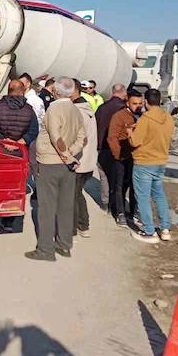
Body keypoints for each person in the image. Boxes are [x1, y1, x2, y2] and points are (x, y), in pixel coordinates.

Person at [25, 76, 86, 261]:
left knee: (46, 208)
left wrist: (66, 156)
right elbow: (83, 139)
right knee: (65, 206)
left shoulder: (54, 109)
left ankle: (45, 249)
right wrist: (72, 155)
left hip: (50, 163)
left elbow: (55, 137)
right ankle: (64, 245)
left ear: (55, 91)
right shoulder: (75, 111)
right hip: (67, 166)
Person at [0, 79, 39, 231]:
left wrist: (4, 140)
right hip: (19, 154)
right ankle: (9, 220)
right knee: (15, 186)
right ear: (22, 92)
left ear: (8, 90)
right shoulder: (29, 110)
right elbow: (34, 130)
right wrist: (20, 142)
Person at [127, 89, 175, 243]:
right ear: (160, 101)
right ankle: (165, 229)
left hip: (144, 162)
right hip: (160, 161)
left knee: (143, 197)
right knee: (159, 196)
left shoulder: (145, 119)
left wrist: (130, 132)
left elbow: (135, 142)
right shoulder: (169, 118)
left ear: (146, 102)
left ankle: (149, 231)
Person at [107, 90, 142, 227]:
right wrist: (118, 155)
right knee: (120, 186)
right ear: (127, 102)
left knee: (136, 187)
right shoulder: (119, 116)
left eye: (140, 103)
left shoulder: (143, 117)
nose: (137, 106)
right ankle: (120, 212)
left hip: (138, 158)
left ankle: (134, 212)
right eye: (134, 103)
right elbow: (112, 137)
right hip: (122, 157)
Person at [95, 84, 127, 212]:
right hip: (119, 147)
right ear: (123, 94)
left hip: (102, 147)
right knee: (118, 177)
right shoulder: (123, 109)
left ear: (112, 92)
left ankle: (105, 202)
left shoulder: (102, 108)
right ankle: (116, 203)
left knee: (104, 176)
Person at [72, 79, 97, 239]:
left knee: (72, 196)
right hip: (87, 160)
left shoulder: (76, 111)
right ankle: (83, 226)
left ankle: (73, 228)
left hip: (77, 161)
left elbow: (79, 139)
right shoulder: (87, 109)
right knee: (77, 194)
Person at [19, 72, 46, 193]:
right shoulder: (32, 99)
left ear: (28, 84)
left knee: (33, 163)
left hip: (33, 136)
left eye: (22, 83)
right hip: (31, 135)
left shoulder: (32, 100)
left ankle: (38, 188)